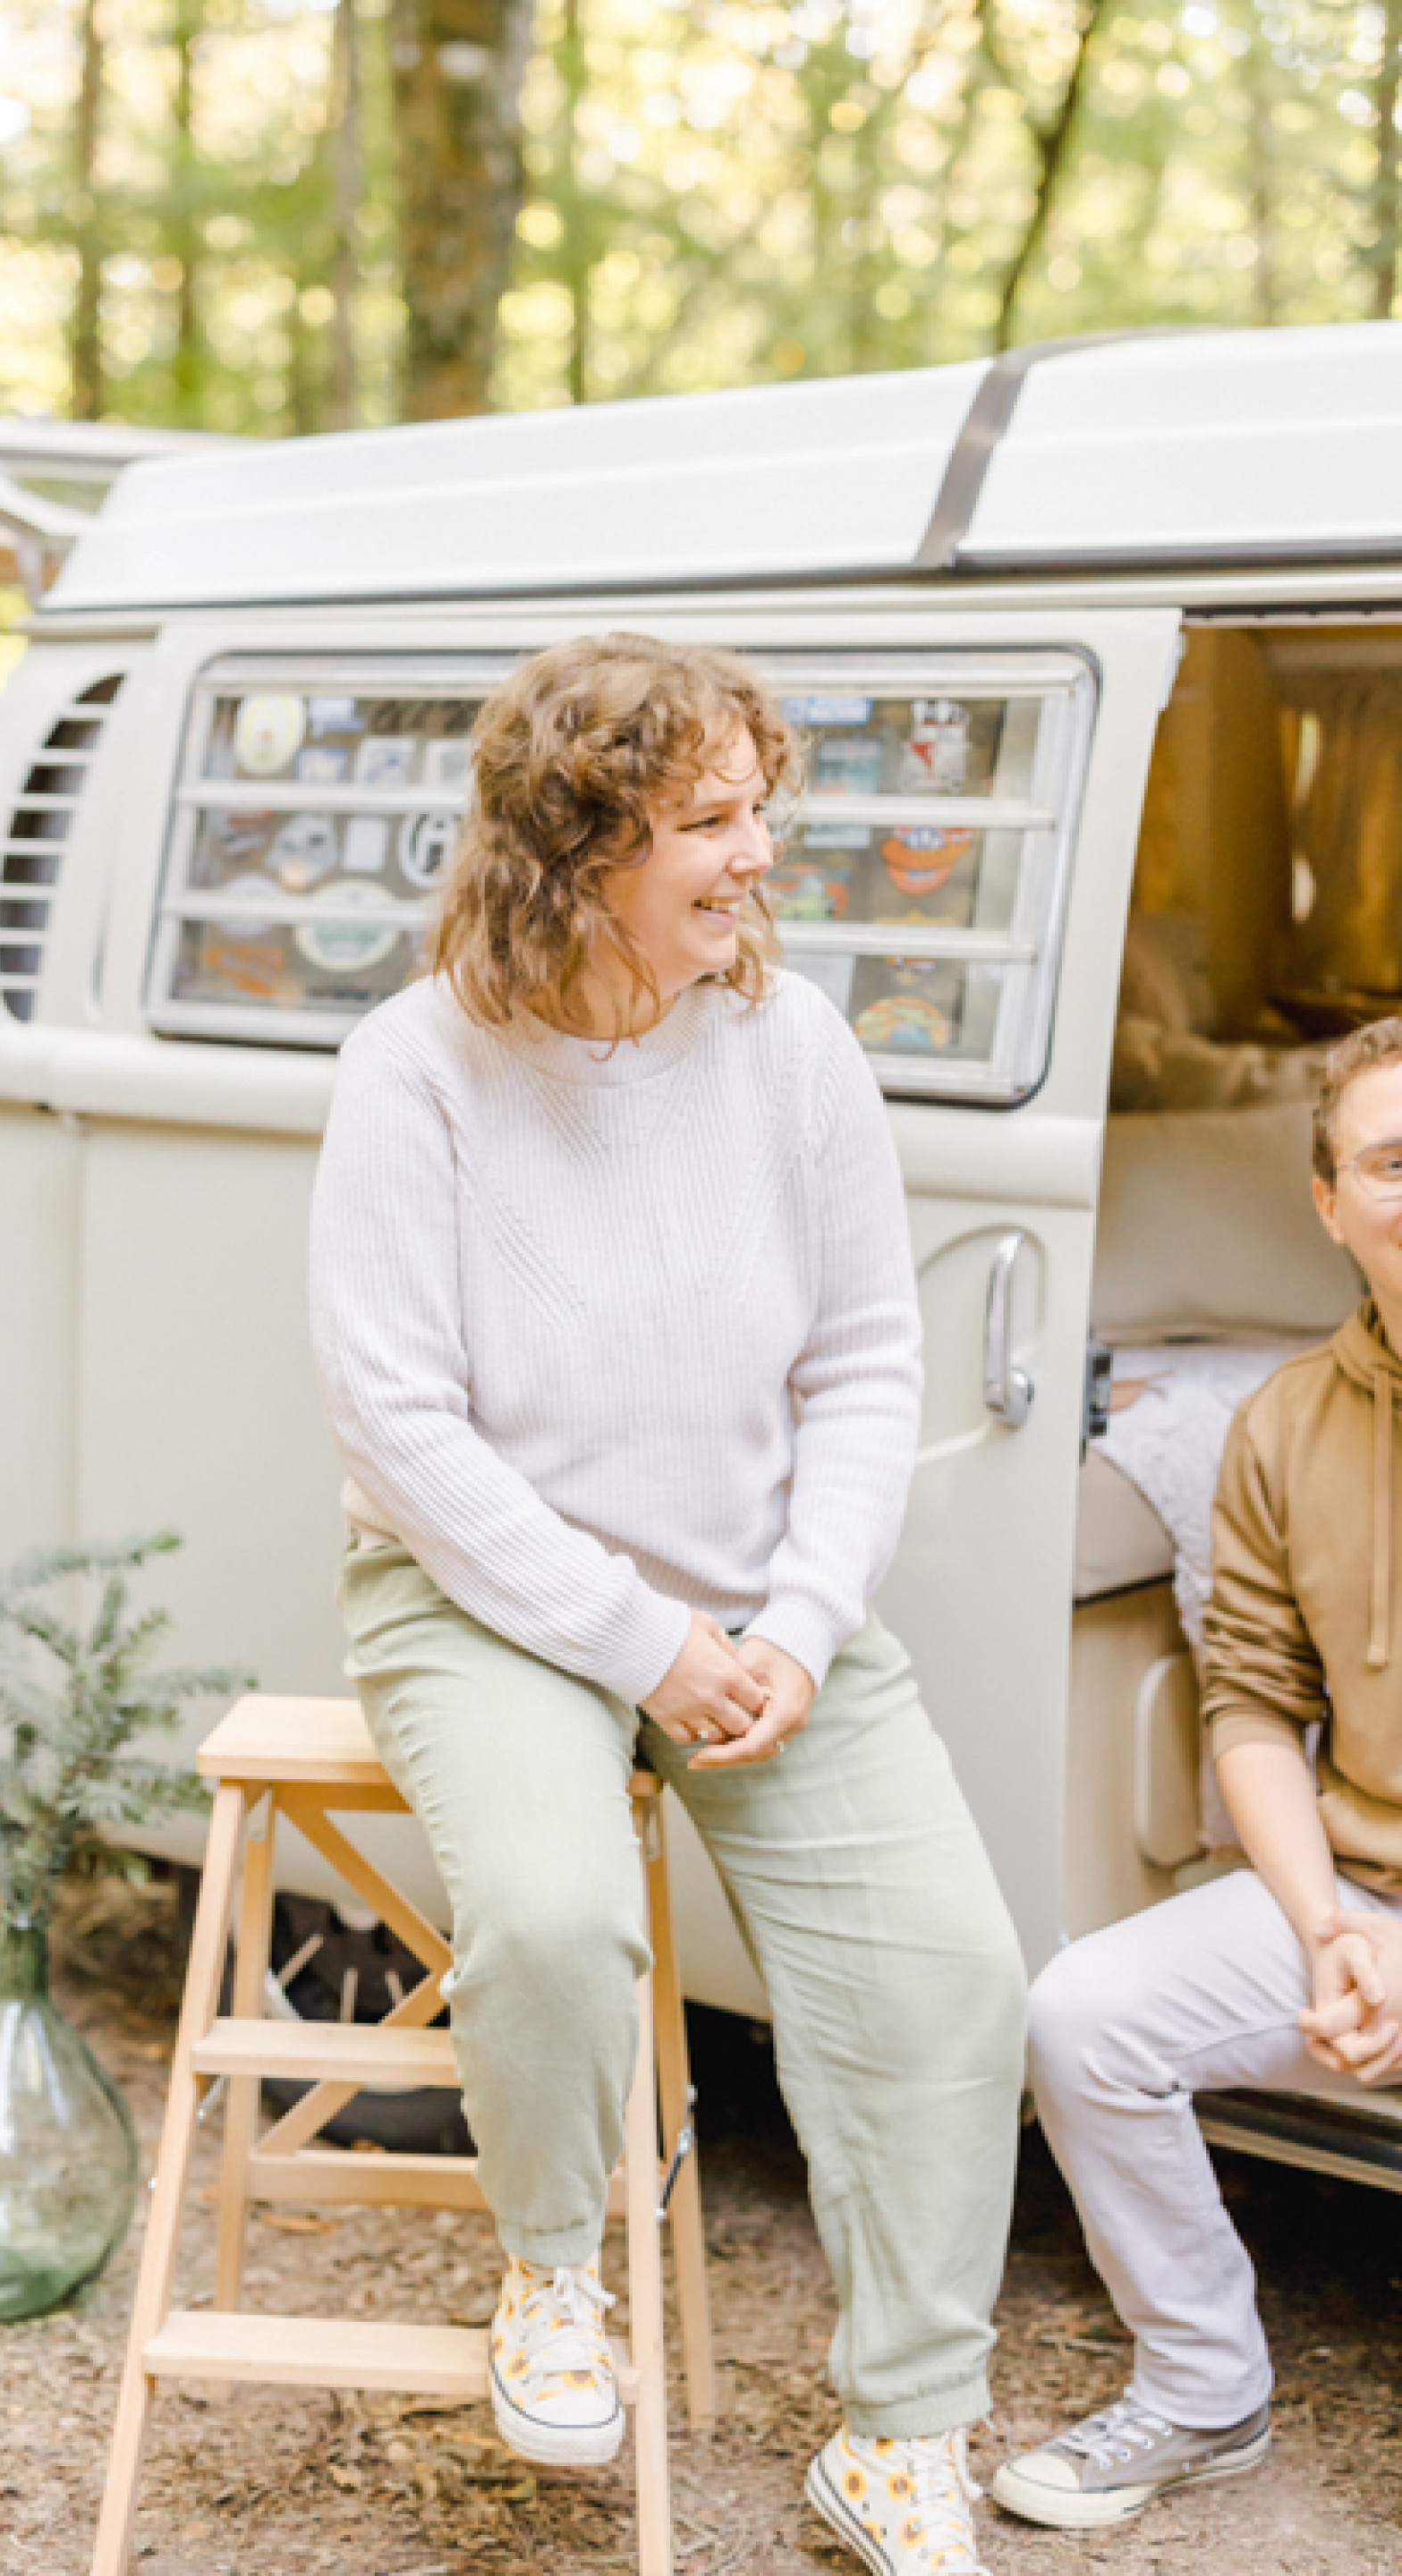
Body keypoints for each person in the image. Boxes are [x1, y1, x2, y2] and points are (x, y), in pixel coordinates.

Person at [310, 634, 1026, 2576]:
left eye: (755, 809)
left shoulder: (795, 1051)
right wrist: (648, 1645)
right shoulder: (414, 1070)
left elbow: (865, 1364)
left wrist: (796, 1624)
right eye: (709, 819)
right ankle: (553, 2278)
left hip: (759, 1599)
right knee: (553, 1916)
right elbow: (401, 1424)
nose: (758, 853)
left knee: (952, 1976)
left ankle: (904, 2437)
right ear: (579, 844)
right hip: (481, 1592)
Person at [994, 1016, 1402, 2533]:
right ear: (1329, 1204)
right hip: (1365, 1897)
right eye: (1390, 1163)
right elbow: (1252, 1707)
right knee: (1084, 2014)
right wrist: (1329, 1928)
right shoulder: (1281, 1424)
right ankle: (1202, 2388)